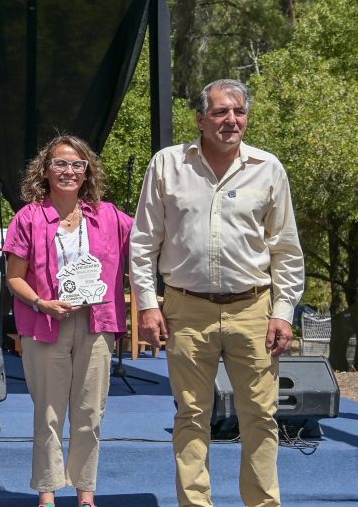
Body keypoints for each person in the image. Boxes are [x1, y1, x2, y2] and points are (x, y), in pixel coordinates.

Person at [130, 79, 304, 507]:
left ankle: (262, 503)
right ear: (201, 119)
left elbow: (285, 248)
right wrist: (148, 306)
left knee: (261, 417)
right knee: (190, 416)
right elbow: (143, 243)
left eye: (239, 112)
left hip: (254, 309)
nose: (231, 121)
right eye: (221, 112)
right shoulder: (168, 165)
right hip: (185, 309)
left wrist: (283, 312)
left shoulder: (268, 168)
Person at [2, 135, 131, 507]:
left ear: (87, 171)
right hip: (46, 324)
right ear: (45, 170)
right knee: (49, 414)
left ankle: (85, 494)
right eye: (60, 163)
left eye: (77, 164)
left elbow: (147, 238)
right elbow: (14, 278)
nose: (69, 171)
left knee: (89, 414)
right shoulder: (28, 217)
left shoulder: (107, 215)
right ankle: (47, 494)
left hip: (97, 322)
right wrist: (42, 303)